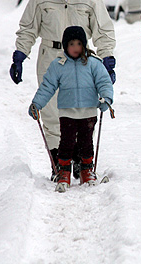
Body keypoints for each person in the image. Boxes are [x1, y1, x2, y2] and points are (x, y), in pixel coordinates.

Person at [10, 0, 116, 179]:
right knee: (51, 112)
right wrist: (20, 54)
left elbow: (103, 30)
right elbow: (28, 28)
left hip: (82, 59)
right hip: (51, 55)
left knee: (81, 107)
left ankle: (80, 159)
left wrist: (107, 59)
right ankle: (59, 161)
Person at [29, 26, 114, 192]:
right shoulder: (58, 65)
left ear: (84, 45)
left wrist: (106, 98)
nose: (75, 48)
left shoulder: (93, 63)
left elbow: (104, 82)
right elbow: (47, 86)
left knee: (86, 142)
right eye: (71, 44)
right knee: (66, 143)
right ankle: (64, 172)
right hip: (67, 112)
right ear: (65, 46)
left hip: (88, 111)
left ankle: (87, 170)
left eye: (79, 44)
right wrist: (36, 104)